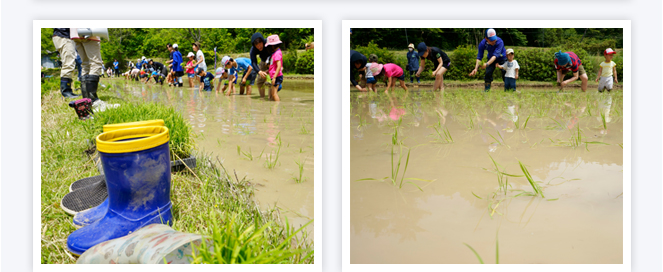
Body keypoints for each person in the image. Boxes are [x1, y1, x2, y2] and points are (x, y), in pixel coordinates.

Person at [72, 28, 105, 107]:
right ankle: (94, 101)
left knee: (85, 64)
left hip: (75, 33)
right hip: (88, 31)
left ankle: (86, 100)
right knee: (95, 63)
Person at [52, 28, 80, 98]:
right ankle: (66, 92)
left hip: (64, 36)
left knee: (70, 63)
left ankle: (68, 91)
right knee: (68, 63)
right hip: (63, 36)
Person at [249, 32, 272, 97]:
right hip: (263, 61)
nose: (259, 46)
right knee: (259, 81)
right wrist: (259, 71)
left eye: (260, 44)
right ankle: (262, 98)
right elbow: (253, 62)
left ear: (263, 42)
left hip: (272, 61)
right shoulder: (253, 50)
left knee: (270, 81)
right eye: (257, 45)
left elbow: (275, 53)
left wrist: (270, 68)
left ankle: (270, 97)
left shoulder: (268, 43)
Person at [266, 35, 283, 101]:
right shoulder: (274, 53)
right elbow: (273, 66)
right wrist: (268, 71)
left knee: (274, 94)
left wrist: (274, 77)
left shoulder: (277, 53)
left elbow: (279, 66)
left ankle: (276, 108)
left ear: (272, 46)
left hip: (277, 77)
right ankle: (275, 108)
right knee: (273, 93)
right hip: (275, 76)